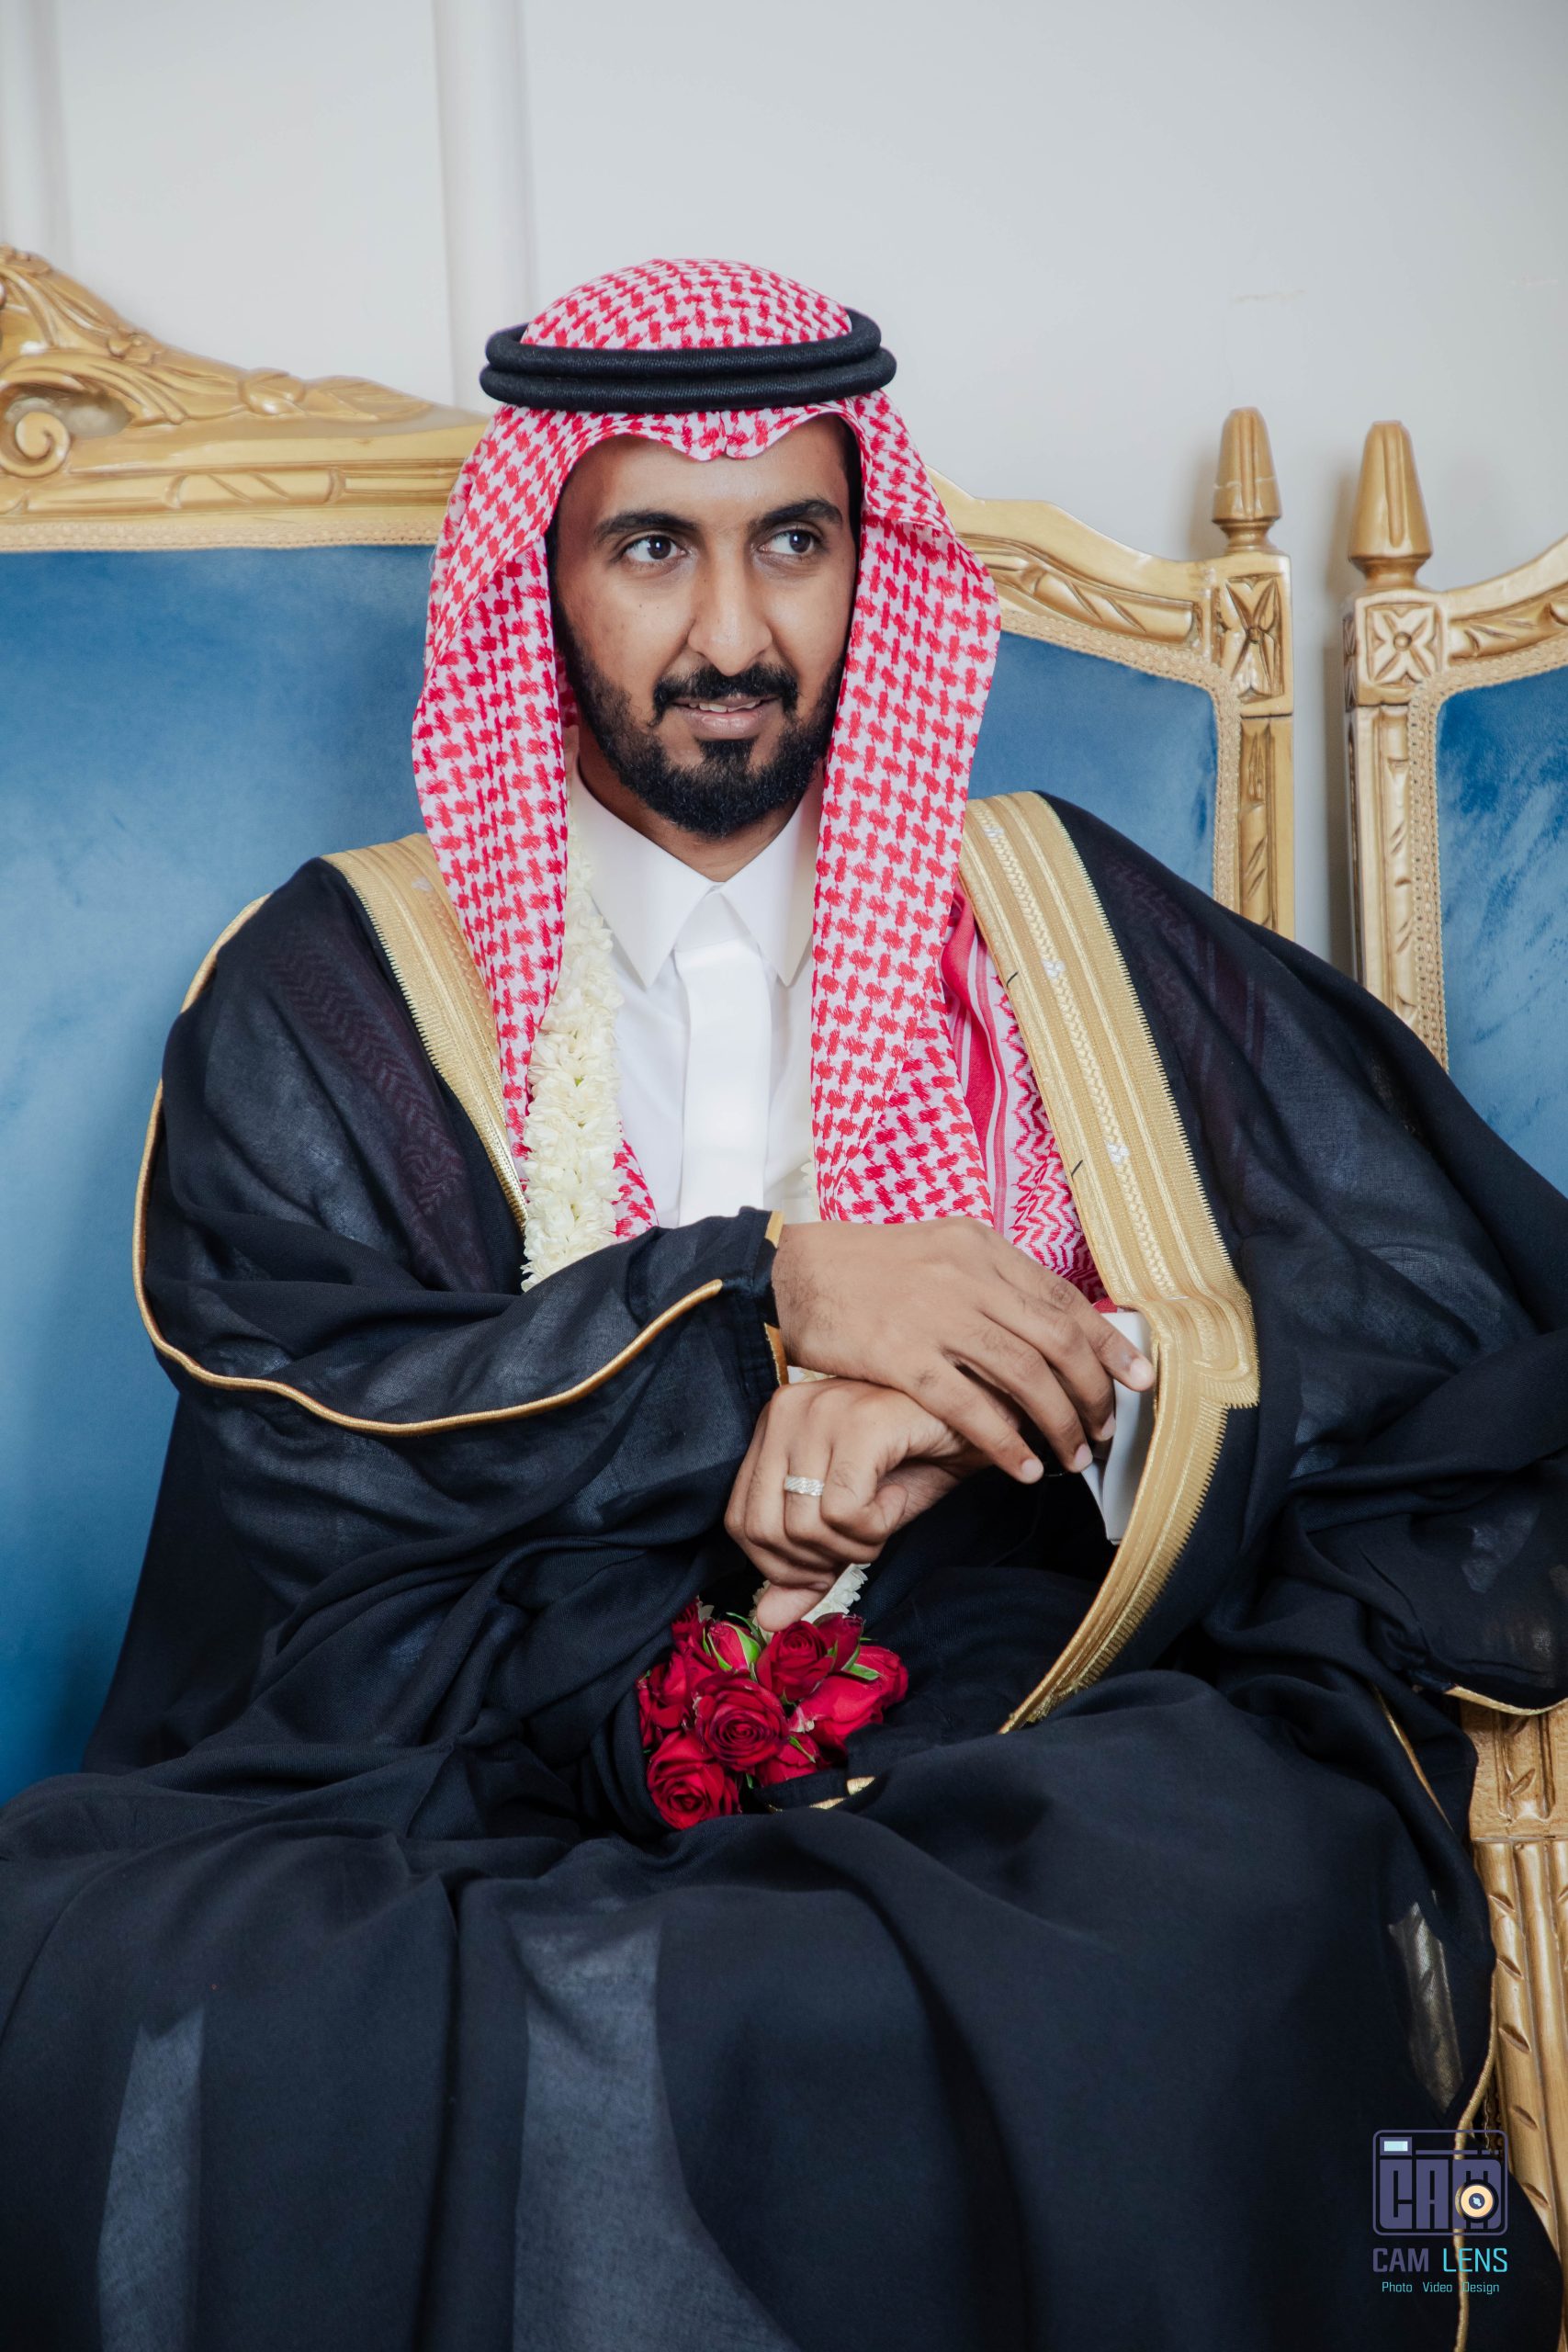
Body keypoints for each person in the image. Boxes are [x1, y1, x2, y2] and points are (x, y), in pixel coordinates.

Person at [2, 258, 1566, 2352]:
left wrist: (1023, 1382)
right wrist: (764, 1307)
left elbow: (1420, 1300)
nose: (734, 634)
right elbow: (306, 1430)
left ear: (864, 560)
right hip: (471, 1740)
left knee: (1226, 1886)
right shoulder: (336, 975)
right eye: (654, 545)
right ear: (544, 571)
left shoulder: (1058, 916)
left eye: (794, 543)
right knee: (180, 1962)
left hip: (1021, 1715)